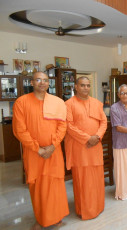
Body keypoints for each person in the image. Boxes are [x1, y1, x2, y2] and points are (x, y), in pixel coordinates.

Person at [12, 72, 69, 230]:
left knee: (55, 185)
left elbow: (62, 126)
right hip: (33, 152)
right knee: (37, 187)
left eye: (45, 80)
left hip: (54, 150)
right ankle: (42, 219)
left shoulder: (57, 102)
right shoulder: (21, 102)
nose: (42, 83)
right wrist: (37, 149)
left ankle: (56, 217)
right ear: (32, 82)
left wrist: (53, 145)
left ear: (49, 83)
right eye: (38, 80)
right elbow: (19, 130)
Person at [65, 76, 107, 220]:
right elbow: (68, 126)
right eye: (82, 85)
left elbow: (103, 122)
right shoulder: (68, 104)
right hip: (80, 148)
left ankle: (98, 206)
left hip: (95, 146)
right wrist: (87, 138)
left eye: (88, 85)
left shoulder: (96, 103)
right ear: (76, 87)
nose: (85, 88)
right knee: (82, 180)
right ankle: (84, 209)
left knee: (97, 179)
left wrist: (97, 136)